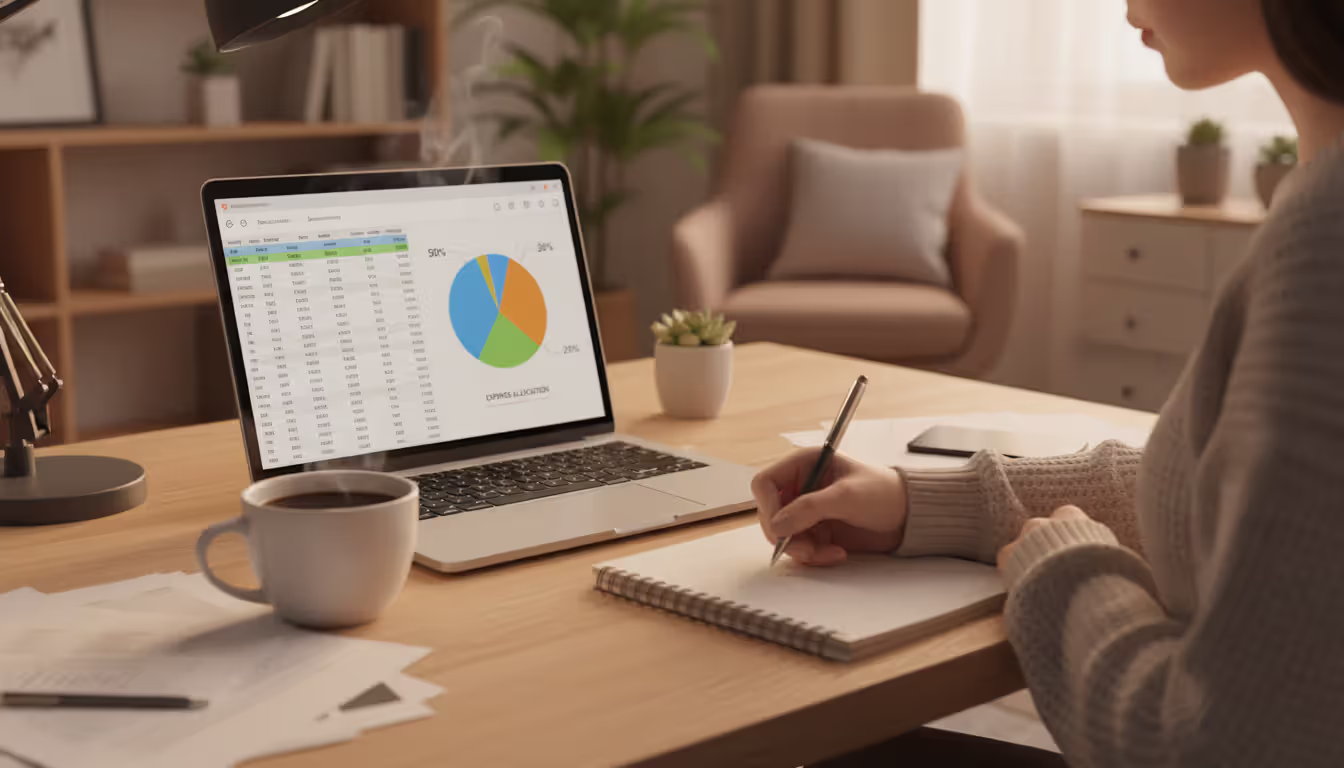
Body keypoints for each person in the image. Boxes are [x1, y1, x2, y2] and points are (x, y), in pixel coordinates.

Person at [752, 1, 1344, 766]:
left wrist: (1065, 575)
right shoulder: (1316, 197)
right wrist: (923, 504)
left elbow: (1221, 745)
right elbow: (1226, 500)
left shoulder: (1325, 248)